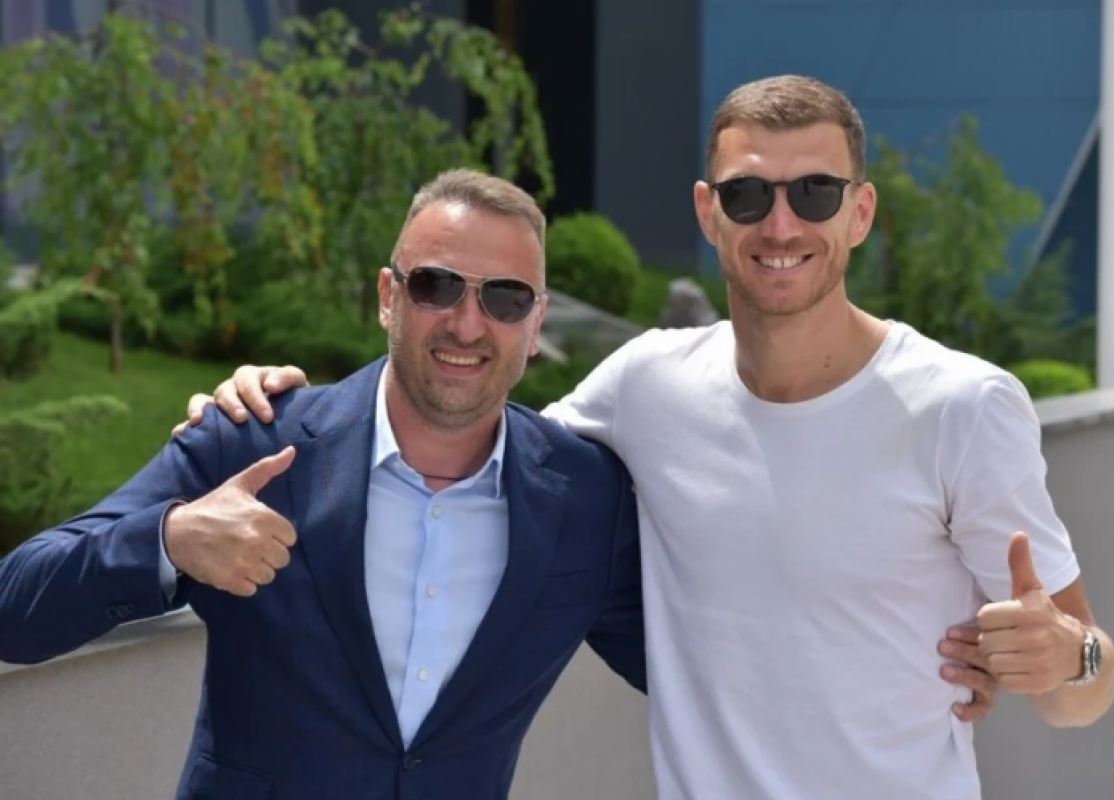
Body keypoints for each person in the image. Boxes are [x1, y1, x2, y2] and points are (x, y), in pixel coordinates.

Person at [192, 76, 1114, 800]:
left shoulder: (963, 405)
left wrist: (1064, 659)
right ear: (708, 211)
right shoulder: (647, 386)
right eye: (748, 195)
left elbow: (1087, 690)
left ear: (860, 212)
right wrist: (278, 408)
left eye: (815, 193)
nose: (781, 224)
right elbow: (474, 437)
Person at [0, 170, 651, 800]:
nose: (467, 324)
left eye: (506, 298)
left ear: (536, 325)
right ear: (388, 297)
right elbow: (15, 609)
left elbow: (688, 669)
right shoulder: (252, 440)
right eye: (436, 286)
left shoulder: (586, 501)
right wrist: (171, 539)